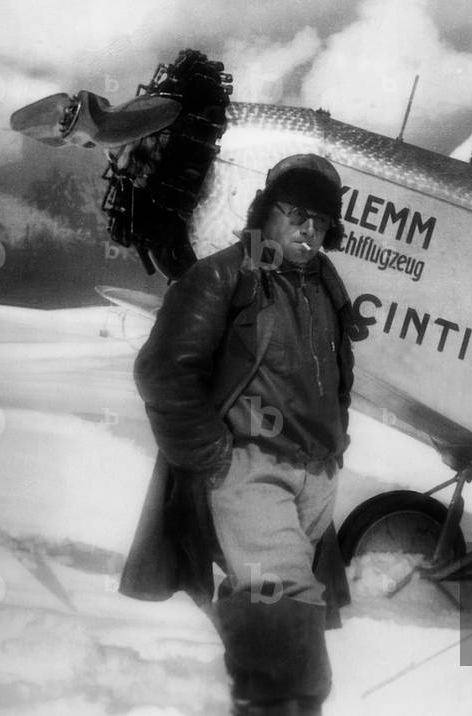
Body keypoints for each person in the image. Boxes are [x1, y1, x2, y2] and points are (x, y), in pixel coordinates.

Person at [121, 154, 355, 716]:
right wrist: (216, 458)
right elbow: (164, 371)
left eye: (321, 221)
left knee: (267, 617)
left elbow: (337, 378)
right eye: (295, 214)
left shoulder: (325, 284)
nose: (308, 229)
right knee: (287, 631)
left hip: (315, 478)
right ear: (264, 213)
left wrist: (335, 444)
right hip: (251, 472)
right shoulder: (224, 275)